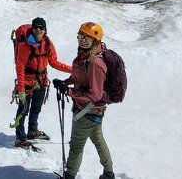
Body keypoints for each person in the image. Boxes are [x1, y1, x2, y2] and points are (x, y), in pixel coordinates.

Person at [55, 22, 114, 179]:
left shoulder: (95, 63)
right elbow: (78, 77)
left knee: (76, 145)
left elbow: (94, 94)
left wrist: (68, 91)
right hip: (91, 110)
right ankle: (109, 173)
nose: (82, 40)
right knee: (98, 139)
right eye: (80, 36)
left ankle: (70, 175)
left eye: (87, 37)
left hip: (88, 110)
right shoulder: (84, 56)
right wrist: (65, 82)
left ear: (96, 40)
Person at [13, 16, 72, 148]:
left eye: (41, 28)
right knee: (23, 110)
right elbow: (20, 67)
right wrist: (21, 89)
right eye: (36, 28)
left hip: (42, 80)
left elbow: (54, 62)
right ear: (32, 29)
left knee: (36, 108)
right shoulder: (25, 46)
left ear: (45, 30)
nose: (38, 30)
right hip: (27, 82)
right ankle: (20, 138)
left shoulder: (48, 44)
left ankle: (32, 131)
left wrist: (73, 70)